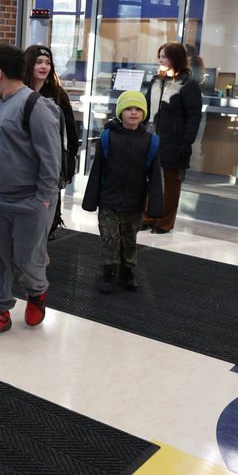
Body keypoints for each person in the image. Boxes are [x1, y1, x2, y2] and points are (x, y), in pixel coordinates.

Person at [0, 44, 63, 340]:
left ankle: (37, 291)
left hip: (30, 202)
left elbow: (51, 160)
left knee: (27, 260)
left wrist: (42, 201)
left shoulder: (36, 107)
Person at [82, 91, 164, 292]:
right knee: (109, 241)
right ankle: (108, 273)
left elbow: (154, 177)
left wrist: (155, 206)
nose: (133, 113)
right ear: (120, 112)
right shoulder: (107, 137)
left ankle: (127, 272)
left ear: (143, 113)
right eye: (128, 108)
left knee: (129, 242)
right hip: (109, 202)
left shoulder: (151, 142)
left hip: (135, 204)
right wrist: (91, 201)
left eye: (137, 109)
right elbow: (97, 170)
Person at [143, 41, 203, 234]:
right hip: (150, 138)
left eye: (164, 56)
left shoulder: (188, 85)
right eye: (159, 56)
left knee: (170, 182)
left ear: (175, 59)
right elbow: (145, 107)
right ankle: (148, 217)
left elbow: (194, 117)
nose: (160, 60)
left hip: (174, 141)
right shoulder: (155, 80)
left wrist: (186, 142)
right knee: (149, 180)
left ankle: (165, 222)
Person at [24, 44, 80, 239]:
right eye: (39, 62)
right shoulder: (18, 93)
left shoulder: (58, 94)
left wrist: (68, 164)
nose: (43, 66)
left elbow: (71, 134)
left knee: (48, 220)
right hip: (23, 165)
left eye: (47, 63)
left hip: (50, 165)